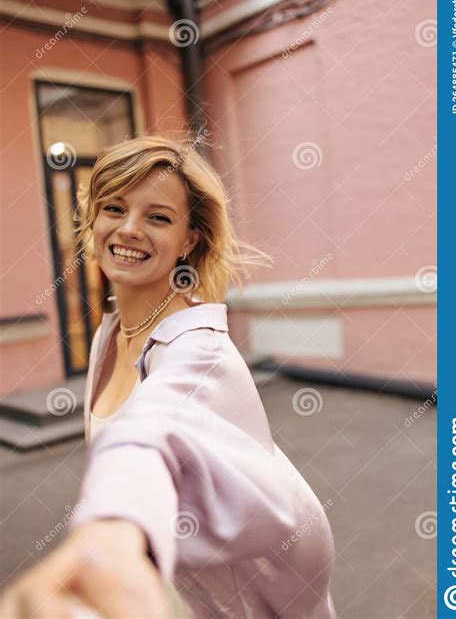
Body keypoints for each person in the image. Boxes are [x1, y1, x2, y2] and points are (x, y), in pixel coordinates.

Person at [0, 134, 336, 618]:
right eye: (114, 208)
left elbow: (148, 434)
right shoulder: (111, 332)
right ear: (93, 220)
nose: (130, 229)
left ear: (188, 240)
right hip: (172, 584)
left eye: (158, 217)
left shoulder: (199, 351)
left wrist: (110, 535)